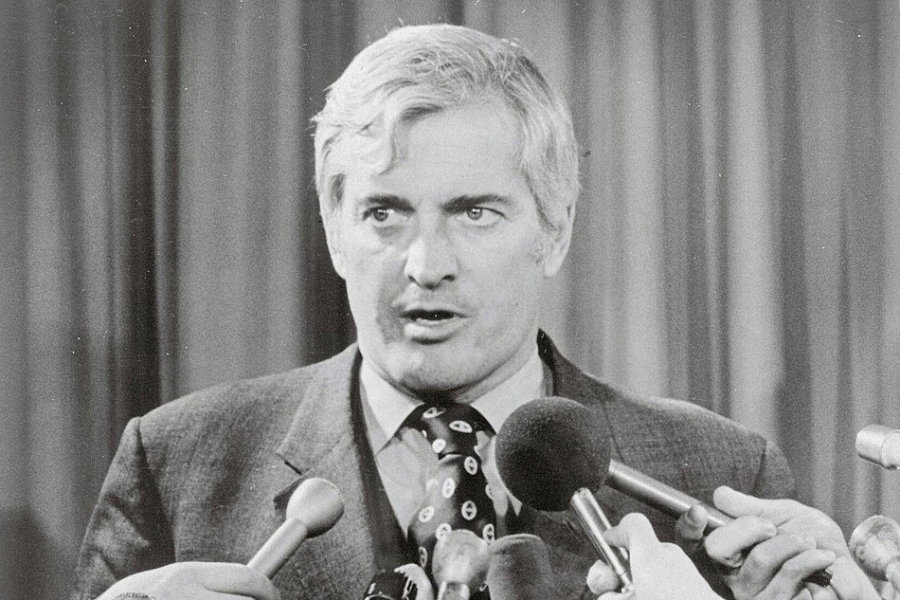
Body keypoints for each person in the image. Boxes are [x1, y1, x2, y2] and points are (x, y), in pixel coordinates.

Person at [72, 23, 856, 600]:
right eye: (384, 214)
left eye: (475, 213)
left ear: (555, 230)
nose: (425, 265)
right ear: (333, 230)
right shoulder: (173, 464)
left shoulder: (723, 472)